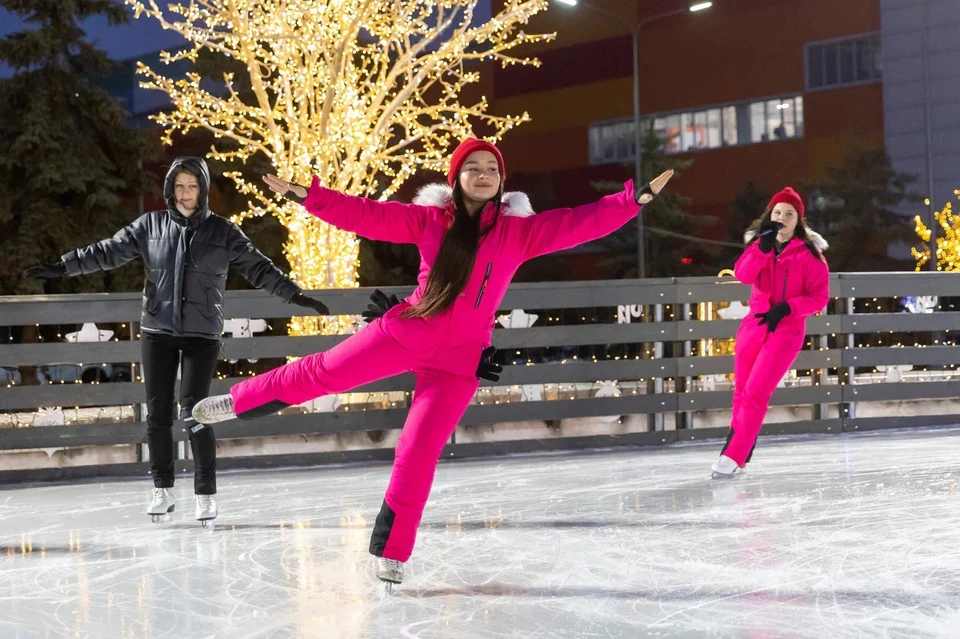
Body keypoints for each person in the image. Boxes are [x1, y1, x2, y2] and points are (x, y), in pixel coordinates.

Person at [192, 137, 673, 584]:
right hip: (408, 331)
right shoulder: (429, 221)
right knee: (326, 372)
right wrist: (310, 196)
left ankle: (392, 552)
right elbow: (367, 215)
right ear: (457, 175)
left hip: (461, 360)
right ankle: (237, 401)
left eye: (492, 168)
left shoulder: (519, 233)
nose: (484, 174)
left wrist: (632, 200)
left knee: (419, 452)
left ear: (502, 182)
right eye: (473, 167)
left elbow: (579, 222)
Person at [24, 156, 328, 524]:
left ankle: (205, 494)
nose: (185, 194)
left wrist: (295, 295)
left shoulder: (223, 231)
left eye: (192, 186)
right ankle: (162, 488)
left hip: (202, 334)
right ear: (171, 189)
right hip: (158, 330)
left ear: (202, 190)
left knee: (197, 413)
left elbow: (260, 268)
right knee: (158, 415)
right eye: (179, 186)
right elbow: (107, 251)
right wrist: (62, 265)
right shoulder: (150, 226)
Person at [711, 187, 829, 478]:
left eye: (789, 214)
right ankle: (739, 450)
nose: (782, 217)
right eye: (778, 212)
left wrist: (788, 308)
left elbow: (819, 297)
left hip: (785, 331)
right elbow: (742, 275)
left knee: (755, 394)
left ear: (798, 220)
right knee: (740, 393)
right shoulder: (760, 246)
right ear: (770, 216)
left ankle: (733, 455)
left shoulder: (810, 254)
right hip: (753, 327)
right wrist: (760, 250)